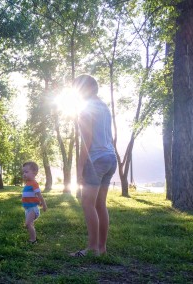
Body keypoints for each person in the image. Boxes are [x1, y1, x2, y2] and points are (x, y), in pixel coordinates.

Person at [71, 74, 117, 257]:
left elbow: (87, 140)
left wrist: (79, 167)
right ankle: (102, 248)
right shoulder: (104, 107)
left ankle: (92, 248)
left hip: (96, 159)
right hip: (110, 158)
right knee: (100, 204)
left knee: (87, 203)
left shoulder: (86, 109)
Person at [21, 161, 47, 244]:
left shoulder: (34, 184)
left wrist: (44, 204)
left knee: (28, 224)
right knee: (30, 224)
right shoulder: (28, 183)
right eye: (23, 172)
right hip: (28, 209)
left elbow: (39, 195)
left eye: (26, 172)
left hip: (33, 208)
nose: (24, 174)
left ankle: (33, 240)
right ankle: (33, 237)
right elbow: (32, 196)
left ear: (34, 173)